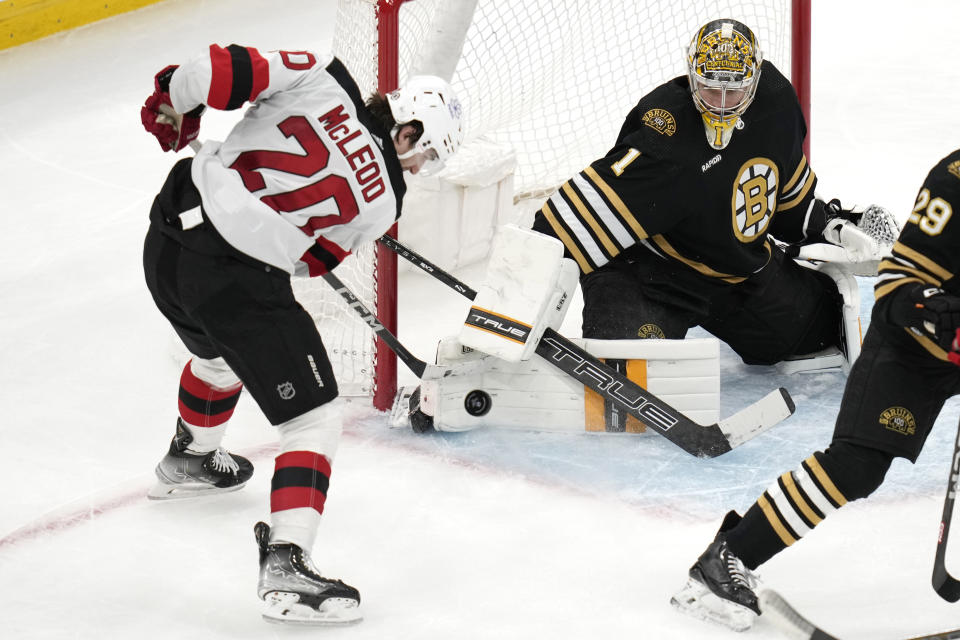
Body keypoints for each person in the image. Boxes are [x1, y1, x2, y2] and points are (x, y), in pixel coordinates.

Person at [139, 43, 463, 625]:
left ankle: (191, 457)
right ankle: (288, 563)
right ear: (409, 129)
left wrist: (172, 103)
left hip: (166, 240)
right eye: (423, 155)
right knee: (313, 419)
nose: (414, 169)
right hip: (233, 280)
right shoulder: (386, 202)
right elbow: (312, 261)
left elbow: (217, 72)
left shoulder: (324, 74)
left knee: (220, 353)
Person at [670, 147, 960, 632]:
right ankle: (725, 559)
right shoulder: (955, 180)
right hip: (915, 348)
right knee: (856, 468)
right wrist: (935, 314)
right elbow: (894, 287)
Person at [531, 19, 896, 367]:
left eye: (734, 90)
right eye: (709, 87)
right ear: (692, 74)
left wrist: (831, 227)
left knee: (818, 334)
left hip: (736, 271)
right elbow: (567, 225)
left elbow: (785, 201)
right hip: (651, 272)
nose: (721, 103)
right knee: (632, 377)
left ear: (754, 79)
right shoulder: (665, 135)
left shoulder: (777, 104)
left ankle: (800, 279)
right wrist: (514, 304)